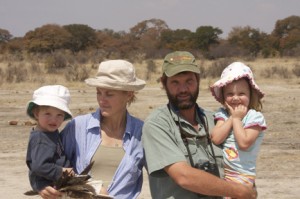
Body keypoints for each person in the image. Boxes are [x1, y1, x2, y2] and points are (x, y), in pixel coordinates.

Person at [142, 51, 257, 199]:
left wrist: (247, 187)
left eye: (189, 81)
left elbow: (240, 164)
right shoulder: (157, 124)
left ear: (198, 81)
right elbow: (183, 177)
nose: (183, 89)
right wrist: (240, 192)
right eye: (175, 82)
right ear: (164, 84)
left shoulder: (216, 120)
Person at [38, 60, 146, 199]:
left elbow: (161, 174)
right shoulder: (78, 127)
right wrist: (41, 185)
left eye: (109, 94)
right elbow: (43, 161)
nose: (102, 100)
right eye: (98, 93)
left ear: (129, 95)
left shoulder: (143, 132)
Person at [210, 62, 267, 192]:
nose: (235, 98)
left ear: (250, 95)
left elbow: (244, 143)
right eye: (229, 94)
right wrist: (232, 117)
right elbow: (216, 138)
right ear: (223, 96)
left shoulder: (254, 117)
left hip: (242, 176)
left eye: (241, 93)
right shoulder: (223, 114)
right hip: (222, 174)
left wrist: (236, 119)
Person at [25, 85, 74, 193]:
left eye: (59, 115)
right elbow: (39, 166)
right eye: (48, 114)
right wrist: (62, 171)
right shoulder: (41, 138)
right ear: (36, 113)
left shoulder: (49, 132)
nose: (54, 119)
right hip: (52, 185)